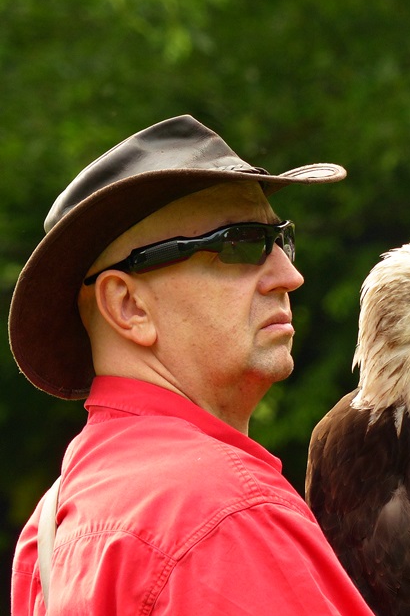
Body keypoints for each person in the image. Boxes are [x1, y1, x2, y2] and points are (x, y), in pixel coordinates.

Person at [9, 115, 375, 615]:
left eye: (280, 239)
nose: (290, 276)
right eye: (240, 245)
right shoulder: (221, 512)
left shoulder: (56, 523)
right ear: (128, 307)